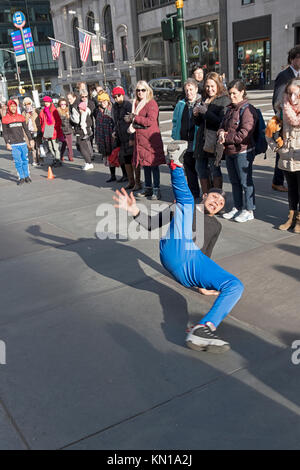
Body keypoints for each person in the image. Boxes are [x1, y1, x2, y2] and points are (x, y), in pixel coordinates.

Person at [113, 142, 244, 352]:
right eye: (214, 197)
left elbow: (206, 255)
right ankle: (175, 162)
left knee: (235, 286)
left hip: (191, 266)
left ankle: (203, 329)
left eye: (220, 203)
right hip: (175, 249)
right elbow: (151, 224)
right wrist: (135, 211)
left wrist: (202, 283)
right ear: (205, 196)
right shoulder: (184, 206)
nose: (217, 203)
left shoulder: (216, 225)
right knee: (185, 202)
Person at [218, 80, 258, 223]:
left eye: (235, 93)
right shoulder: (230, 109)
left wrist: (226, 137)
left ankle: (249, 209)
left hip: (243, 151)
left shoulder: (247, 110)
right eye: (230, 94)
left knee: (245, 182)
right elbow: (222, 125)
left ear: (242, 92)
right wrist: (221, 132)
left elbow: (244, 134)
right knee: (234, 181)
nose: (232, 96)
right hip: (230, 151)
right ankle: (237, 206)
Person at [126, 80, 165, 200]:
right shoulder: (136, 103)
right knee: (145, 165)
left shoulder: (151, 103)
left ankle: (157, 190)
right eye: (138, 90)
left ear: (148, 90)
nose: (140, 92)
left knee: (153, 165)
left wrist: (135, 118)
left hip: (151, 140)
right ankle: (148, 188)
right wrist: (132, 120)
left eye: (143, 90)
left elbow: (150, 121)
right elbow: (137, 121)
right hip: (141, 139)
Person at [193, 72, 230, 194]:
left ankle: (216, 197)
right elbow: (199, 123)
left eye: (212, 86)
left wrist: (206, 112)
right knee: (200, 169)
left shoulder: (224, 99)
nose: (209, 89)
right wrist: (196, 114)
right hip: (202, 140)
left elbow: (222, 122)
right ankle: (206, 197)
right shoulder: (203, 98)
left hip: (214, 140)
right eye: (207, 86)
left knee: (215, 169)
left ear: (218, 85)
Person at [272, 45, 300, 192]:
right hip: (286, 119)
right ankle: (278, 180)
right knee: (283, 149)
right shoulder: (284, 76)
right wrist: (281, 117)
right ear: (292, 59)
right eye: (299, 57)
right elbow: (277, 99)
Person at [276, 78, 300, 233]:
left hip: (299, 155)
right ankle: (291, 216)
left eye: (295, 94)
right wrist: (276, 146)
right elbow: (271, 133)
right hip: (286, 154)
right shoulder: (281, 108)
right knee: (291, 187)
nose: (292, 98)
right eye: (289, 93)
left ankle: (299, 220)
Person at [172, 78, 201, 199]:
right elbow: (175, 121)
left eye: (191, 89)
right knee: (189, 169)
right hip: (185, 141)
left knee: (201, 169)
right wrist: (175, 136)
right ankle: (194, 192)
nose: (189, 92)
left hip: (198, 141)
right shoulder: (181, 104)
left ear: (196, 89)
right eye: (187, 90)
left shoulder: (201, 103)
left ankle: (206, 192)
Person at [112, 86, 141, 190]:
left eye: (118, 95)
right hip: (121, 136)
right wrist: (115, 131)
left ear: (122, 95)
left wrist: (132, 137)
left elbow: (134, 122)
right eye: (114, 96)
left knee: (134, 160)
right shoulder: (115, 107)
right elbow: (116, 121)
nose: (116, 98)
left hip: (130, 135)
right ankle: (131, 181)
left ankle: (137, 182)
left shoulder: (128, 105)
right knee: (126, 160)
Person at [2, 99, 34, 185]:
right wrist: (7, 143)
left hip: (22, 143)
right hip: (14, 144)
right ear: (9, 107)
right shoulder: (5, 119)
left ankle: (27, 176)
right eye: (11, 106)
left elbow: (26, 130)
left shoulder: (21, 117)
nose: (13, 108)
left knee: (25, 160)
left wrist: (30, 139)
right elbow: (5, 133)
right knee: (18, 162)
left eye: (15, 106)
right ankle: (21, 177)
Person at [95, 92, 118, 182]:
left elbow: (116, 123)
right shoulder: (99, 112)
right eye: (101, 101)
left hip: (111, 137)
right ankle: (113, 176)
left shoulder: (112, 110)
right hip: (103, 138)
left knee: (117, 156)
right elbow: (97, 126)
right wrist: (97, 140)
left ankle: (126, 175)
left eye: (104, 100)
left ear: (108, 100)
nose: (103, 102)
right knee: (108, 157)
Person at [67, 92, 94, 171]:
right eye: (68, 99)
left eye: (70, 99)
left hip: (81, 129)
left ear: (74, 97)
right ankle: (88, 161)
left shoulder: (74, 106)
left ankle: (88, 162)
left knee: (81, 146)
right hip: (85, 128)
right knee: (81, 145)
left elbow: (76, 120)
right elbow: (88, 110)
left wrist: (69, 117)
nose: (69, 100)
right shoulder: (79, 103)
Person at [39, 96, 64, 167]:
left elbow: (58, 121)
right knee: (50, 147)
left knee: (55, 147)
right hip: (47, 131)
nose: (46, 103)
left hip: (54, 131)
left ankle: (58, 160)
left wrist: (55, 127)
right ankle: (55, 159)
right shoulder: (43, 111)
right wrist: (43, 130)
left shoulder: (54, 110)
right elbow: (41, 121)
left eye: (47, 102)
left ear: (50, 102)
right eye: (45, 102)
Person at [22, 97, 43, 167]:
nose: (28, 105)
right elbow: (23, 123)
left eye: (29, 103)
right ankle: (35, 160)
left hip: (37, 130)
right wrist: (27, 117)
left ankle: (40, 160)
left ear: (31, 103)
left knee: (38, 146)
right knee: (32, 147)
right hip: (29, 132)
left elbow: (41, 118)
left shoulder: (36, 110)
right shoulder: (24, 113)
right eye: (26, 104)